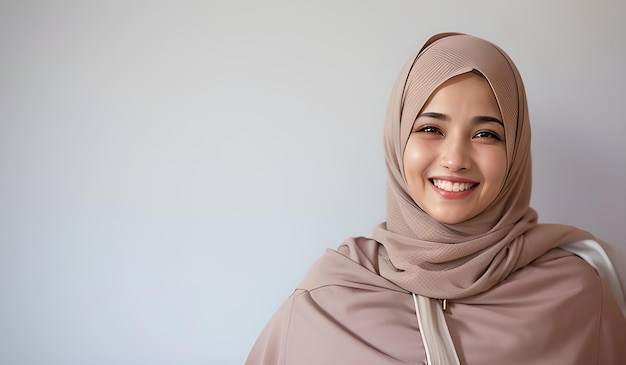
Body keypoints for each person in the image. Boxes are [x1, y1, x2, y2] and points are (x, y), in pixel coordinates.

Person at [245, 33, 626, 365]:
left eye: (487, 134)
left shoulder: (575, 296)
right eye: (430, 128)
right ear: (398, 141)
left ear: (516, 151)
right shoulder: (328, 299)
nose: (455, 159)